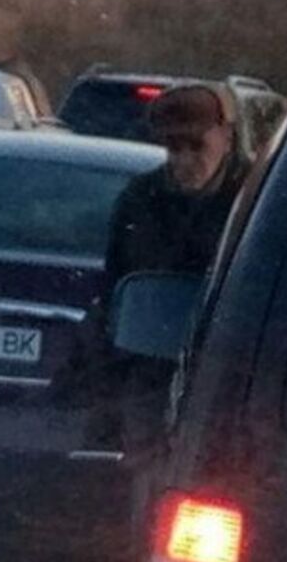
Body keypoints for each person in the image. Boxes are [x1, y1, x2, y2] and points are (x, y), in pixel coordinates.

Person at [91, 82, 248, 450]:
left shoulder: (254, 201)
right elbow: (115, 285)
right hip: (150, 364)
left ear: (225, 137)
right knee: (140, 460)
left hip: (226, 366)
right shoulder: (139, 199)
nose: (184, 161)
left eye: (197, 146)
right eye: (173, 148)